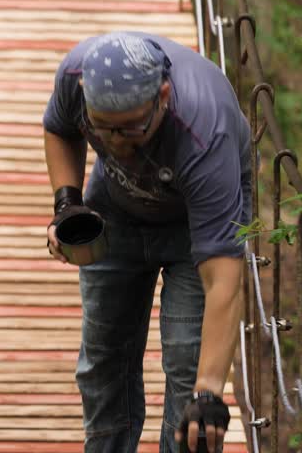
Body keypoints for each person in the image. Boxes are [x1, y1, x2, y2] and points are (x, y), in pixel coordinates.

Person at [41, 31, 250, 453]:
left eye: (132, 128)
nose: (117, 142)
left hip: (195, 226)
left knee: (188, 363)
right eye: (104, 129)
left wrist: (209, 391)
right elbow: (59, 128)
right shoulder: (74, 76)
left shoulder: (206, 134)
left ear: (164, 96)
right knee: (103, 357)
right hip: (116, 207)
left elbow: (224, 281)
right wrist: (67, 203)